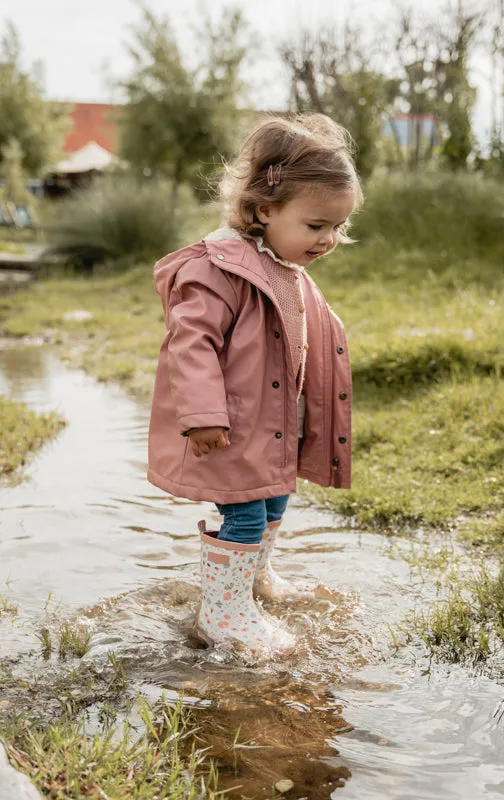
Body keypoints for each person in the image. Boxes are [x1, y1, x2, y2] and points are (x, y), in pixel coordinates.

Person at [148, 113, 364, 656]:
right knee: (244, 509)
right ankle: (222, 613)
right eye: (316, 226)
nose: (329, 239)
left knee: (273, 502)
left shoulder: (283, 266)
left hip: (272, 426)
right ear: (265, 209)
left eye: (337, 227)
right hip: (228, 424)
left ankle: (251, 581)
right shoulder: (218, 269)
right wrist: (201, 414)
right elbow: (189, 342)